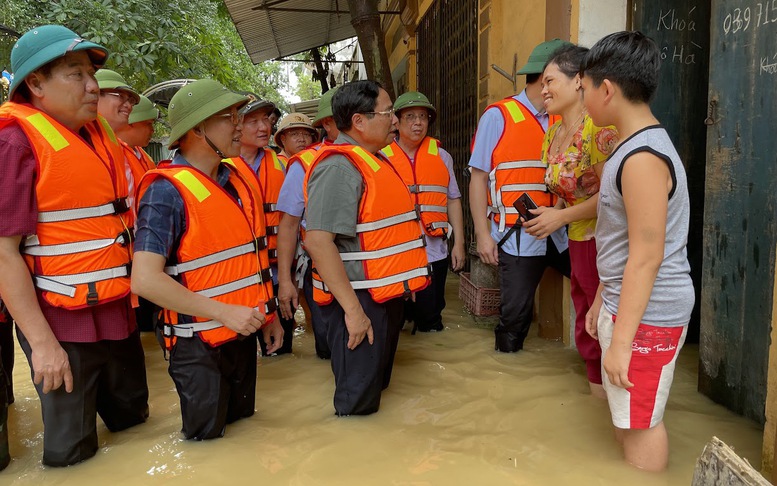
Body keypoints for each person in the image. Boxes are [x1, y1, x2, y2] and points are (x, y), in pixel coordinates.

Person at [0, 25, 149, 467]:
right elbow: (3, 253)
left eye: (91, 73)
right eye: (74, 74)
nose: (91, 86)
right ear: (36, 84)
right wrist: (42, 344)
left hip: (116, 309)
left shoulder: (98, 136)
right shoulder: (15, 142)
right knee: (72, 452)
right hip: (61, 322)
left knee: (135, 420)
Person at [132, 79, 283, 440]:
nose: (238, 124)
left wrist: (269, 316)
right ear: (198, 129)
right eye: (228, 117)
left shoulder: (237, 182)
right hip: (197, 344)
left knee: (244, 434)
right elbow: (145, 280)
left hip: (244, 333)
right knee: (206, 445)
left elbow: (250, 263)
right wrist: (222, 312)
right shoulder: (165, 192)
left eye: (237, 115)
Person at [581, 31, 693, 472]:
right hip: (630, 307)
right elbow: (621, 242)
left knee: (641, 424)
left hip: (650, 316)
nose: (583, 99)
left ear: (606, 88)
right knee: (628, 418)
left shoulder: (643, 157)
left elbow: (647, 256)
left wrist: (622, 342)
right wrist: (600, 299)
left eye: (584, 88)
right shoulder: (630, 148)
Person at [304, 80, 430, 415]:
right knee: (356, 406)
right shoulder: (339, 167)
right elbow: (318, 241)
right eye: (388, 112)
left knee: (376, 394)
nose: (394, 120)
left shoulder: (374, 161)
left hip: (382, 297)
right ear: (358, 121)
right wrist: (354, 313)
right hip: (357, 302)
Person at [523, 45, 618, 398]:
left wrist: (559, 216)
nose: (543, 89)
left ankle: (606, 402)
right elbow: (566, 191)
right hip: (573, 240)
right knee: (584, 318)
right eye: (542, 83)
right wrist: (551, 217)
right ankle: (597, 399)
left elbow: (612, 199)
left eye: (550, 81)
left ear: (579, 80)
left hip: (601, 240)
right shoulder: (552, 133)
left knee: (599, 323)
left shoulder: (597, 130)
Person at [468, 39, 572, 353]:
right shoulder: (498, 116)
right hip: (518, 235)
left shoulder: (561, 118)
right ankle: (506, 368)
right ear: (546, 80)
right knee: (515, 316)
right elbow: (478, 179)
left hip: (560, 230)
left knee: (592, 283)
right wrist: (483, 235)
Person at [382, 91, 465, 332]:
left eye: (423, 117)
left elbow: (453, 200)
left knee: (431, 320)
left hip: (434, 253)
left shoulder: (442, 156)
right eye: (410, 116)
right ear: (396, 121)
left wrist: (458, 243)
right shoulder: (380, 157)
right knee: (394, 323)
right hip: (394, 255)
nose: (418, 122)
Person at [229, 94, 296, 356]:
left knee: (281, 355)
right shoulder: (220, 168)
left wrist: (290, 279)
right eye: (253, 121)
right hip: (239, 280)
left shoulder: (283, 164)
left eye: (266, 120)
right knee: (240, 356)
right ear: (235, 125)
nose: (264, 127)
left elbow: (293, 224)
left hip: (279, 273)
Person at [277, 87, 340, 359]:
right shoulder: (303, 165)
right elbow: (288, 226)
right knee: (327, 344)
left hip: (366, 269)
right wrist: (285, 280)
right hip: (316, 264)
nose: (301, 139)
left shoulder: (376, 158)